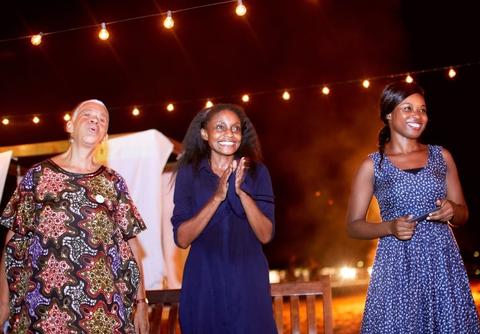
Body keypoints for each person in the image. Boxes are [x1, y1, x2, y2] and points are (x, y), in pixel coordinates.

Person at [0, 99, 149, 333]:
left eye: (102, 120)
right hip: (43, 309)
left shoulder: (113, 182)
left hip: (103, 311)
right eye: (88, 115)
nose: (95, 120)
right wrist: (3, 304)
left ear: (105, 137)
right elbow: (12, 242)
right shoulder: (37, 176)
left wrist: (141, 304)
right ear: (69, 126)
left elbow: (132, 247)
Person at [346, 81, 480, 333]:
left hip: (441, 261)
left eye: (422, 110)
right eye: (407, 108)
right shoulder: (373, 166)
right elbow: (353, 226)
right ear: (388, 114)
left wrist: (453, 210)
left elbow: (463, 214)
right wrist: (390, 227)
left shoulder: (442, 156)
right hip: (397, 264)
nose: (417, 116)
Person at [172, 103, 277, 334]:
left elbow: (265, 234)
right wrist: (217, 197)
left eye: (235, 128)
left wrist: (242, 193)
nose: (229, 134)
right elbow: (181, 238)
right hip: (204, 282)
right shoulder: (189, 173)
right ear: (204, 133)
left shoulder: (258, 173)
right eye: (220, 127)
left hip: (248, 282)